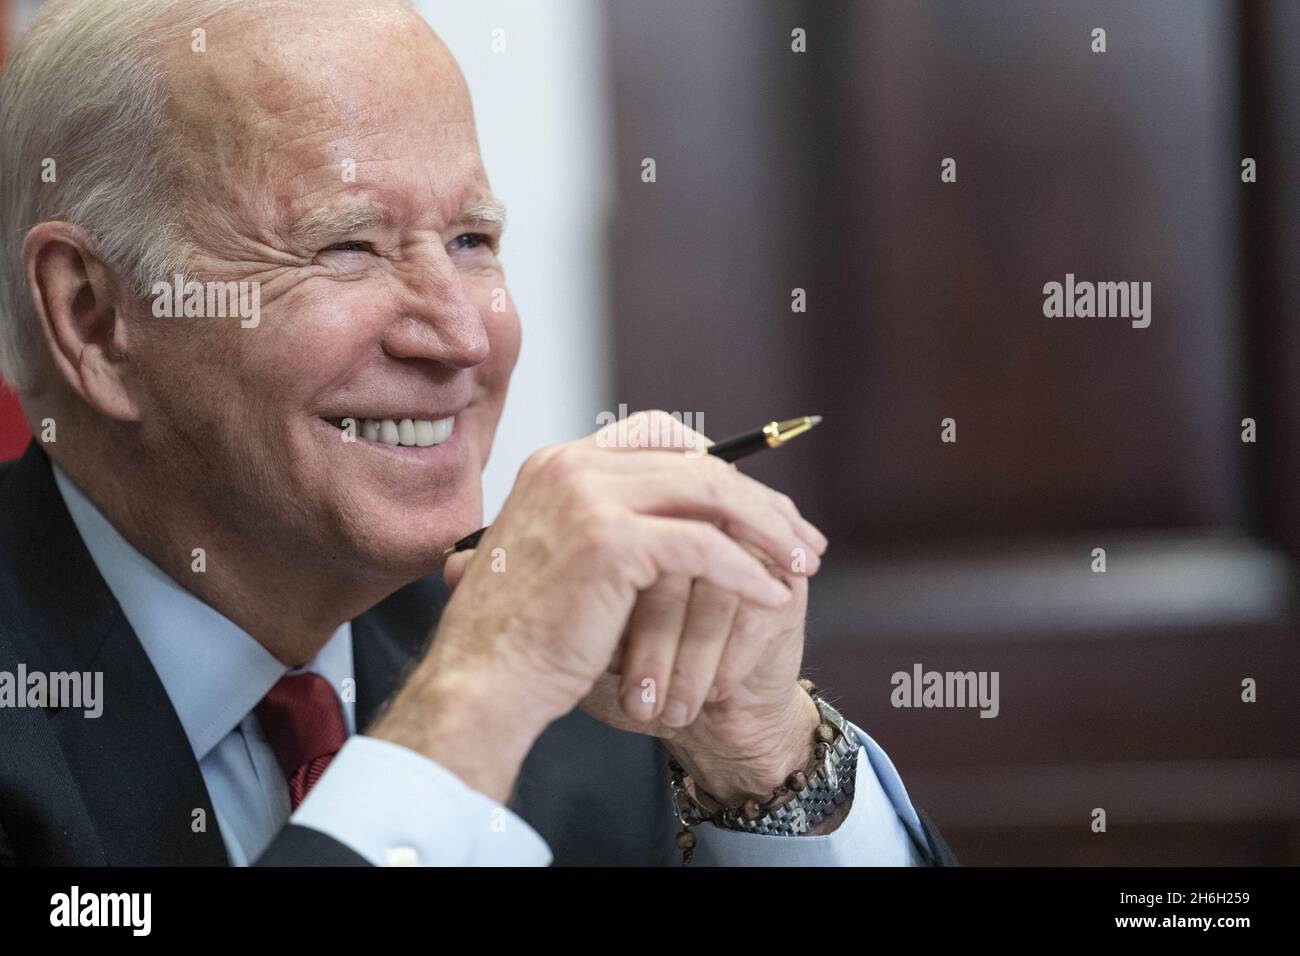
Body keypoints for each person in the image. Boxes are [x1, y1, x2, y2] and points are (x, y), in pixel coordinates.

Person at [0, 0, 956, 867]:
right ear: (93, 316)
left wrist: (761, 762)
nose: (464, 338)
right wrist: (470, 713)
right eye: (348, 246)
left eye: (472, 241)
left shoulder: (593, 692)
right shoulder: (509, 671)